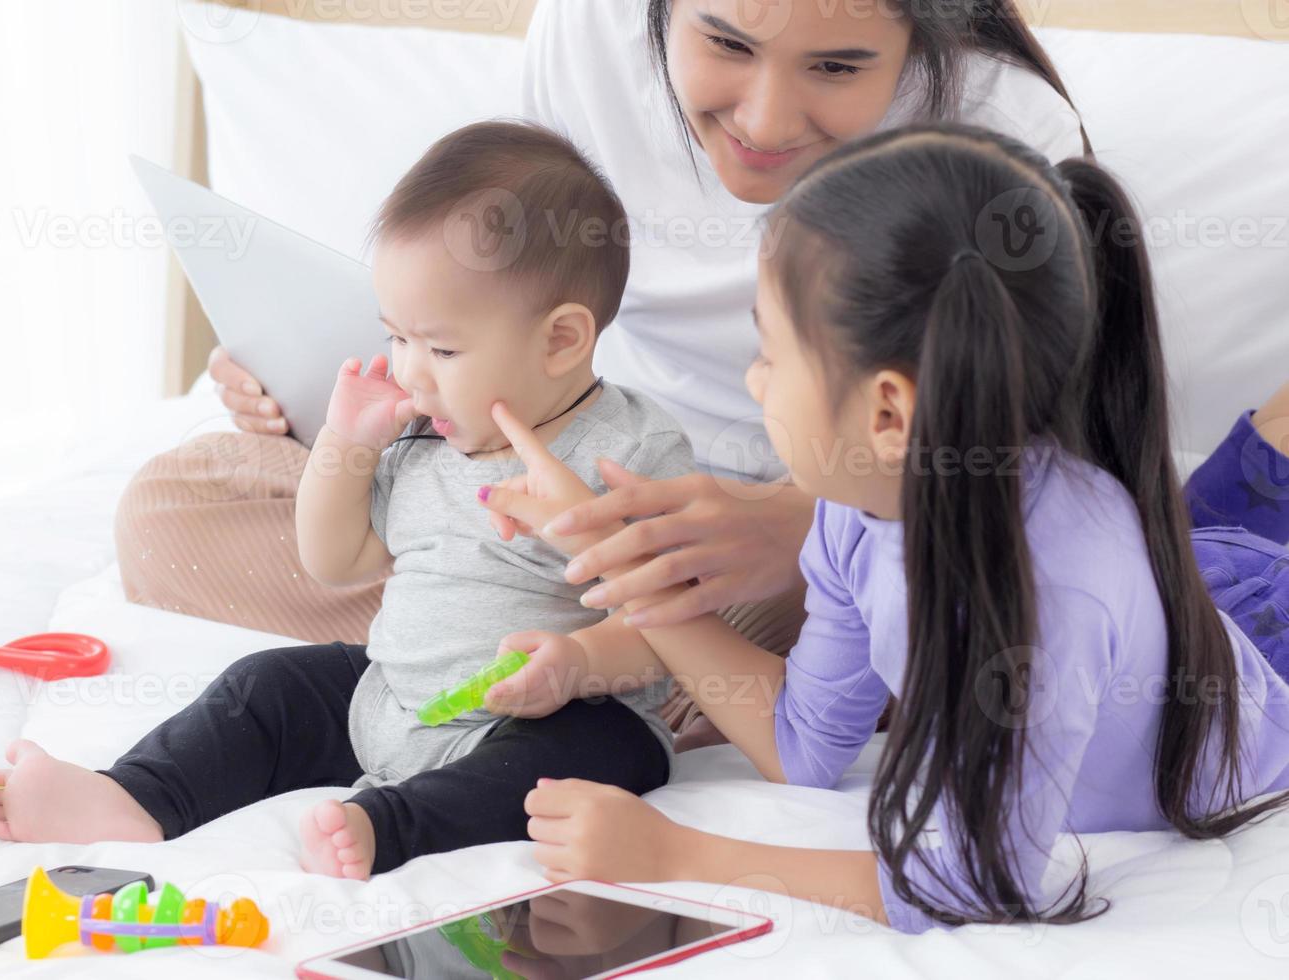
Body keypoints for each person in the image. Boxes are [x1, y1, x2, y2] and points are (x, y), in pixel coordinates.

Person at [117, 2, 1095, 712]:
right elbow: (523, 293)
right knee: (171, 504)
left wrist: (793, 520)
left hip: (817, 529)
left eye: (836, 68)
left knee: (910, 599)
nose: (764, 119)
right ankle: (596, 663)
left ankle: (586, 653)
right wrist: (354, 402)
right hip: (564, 474)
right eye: (724, 43)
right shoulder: (588, 31)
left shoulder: (1001, 140)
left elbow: (1014, 472)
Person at [477, 123, 1289, 930]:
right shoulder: (858, 506)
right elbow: (804, 746)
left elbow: (973, 886)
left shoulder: (1049, 603)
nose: (753, 383)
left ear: (889, 412)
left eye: (770, 353)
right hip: (1191, 600)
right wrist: (611, 560)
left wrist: (677, 856)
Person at [0, 122, 688, 878]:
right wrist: (346, 446)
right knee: (270, 684)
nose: (411, 372)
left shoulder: (633, 455)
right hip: (390, 696)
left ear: (560, 341)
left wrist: (580, 663)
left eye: (441, 349)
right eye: (397, 338)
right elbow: (333, 561)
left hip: (546, 719)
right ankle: (134, 795)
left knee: (593, 756)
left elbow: (668, 624)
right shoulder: (426, 439)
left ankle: (392, 825)